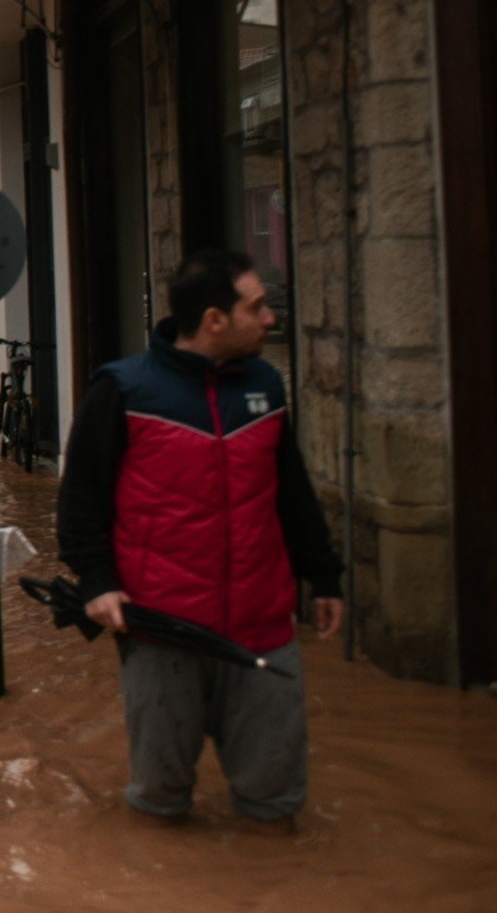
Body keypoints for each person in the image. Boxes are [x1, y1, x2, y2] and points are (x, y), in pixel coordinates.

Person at [57, 249, 344, 830]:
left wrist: (325, 574)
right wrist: (98, 581)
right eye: (256, 306)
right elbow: (80, 498)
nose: (269, 318)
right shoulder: (123, 390)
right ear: (215, 319)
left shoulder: (266, 386)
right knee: (160, 804)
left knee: (275, 808)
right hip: (163, 631)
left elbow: (289, 489)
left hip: (263, 628)